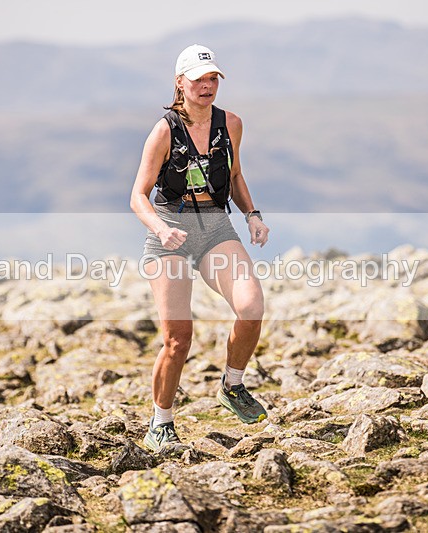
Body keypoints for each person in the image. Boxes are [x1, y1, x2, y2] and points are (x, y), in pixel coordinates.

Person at [130, 44, 271, 451]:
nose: (207, 86)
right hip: (170, 229)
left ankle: (232, 385)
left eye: (212, 79)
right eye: (198, 80)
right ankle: (161, 422)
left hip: (215, 225)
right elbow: (138, 196)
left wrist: (252, 214)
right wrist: (159, 228)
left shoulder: (232, 124)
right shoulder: (163, 131)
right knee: (179, 337)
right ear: (180, 83)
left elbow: (237, 175)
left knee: (251, 306)